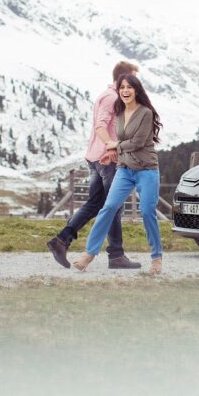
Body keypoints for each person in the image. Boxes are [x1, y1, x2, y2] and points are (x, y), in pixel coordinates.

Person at [46, 61, 141, 270]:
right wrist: (110, 147)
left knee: (95, 204)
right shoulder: (112, 97)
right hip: (106, 160)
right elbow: (100, 126)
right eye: (134, 78)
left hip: (96, 157)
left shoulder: (107, 95)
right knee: (114, 205)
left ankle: (61, 240)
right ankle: (116, 256)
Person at [72, 73, 164, 275]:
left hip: (146, 169)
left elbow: (138, 143)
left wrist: (114, 145)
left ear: (136, 90)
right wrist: (111, 153)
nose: (125, 91)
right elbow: (123, 143)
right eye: (122, 87)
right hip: (124, 169)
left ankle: (157, 257)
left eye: (129, 87)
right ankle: (89, 254)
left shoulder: (146, 113)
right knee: (108, 208)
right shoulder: (120, 113)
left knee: (147, 211)